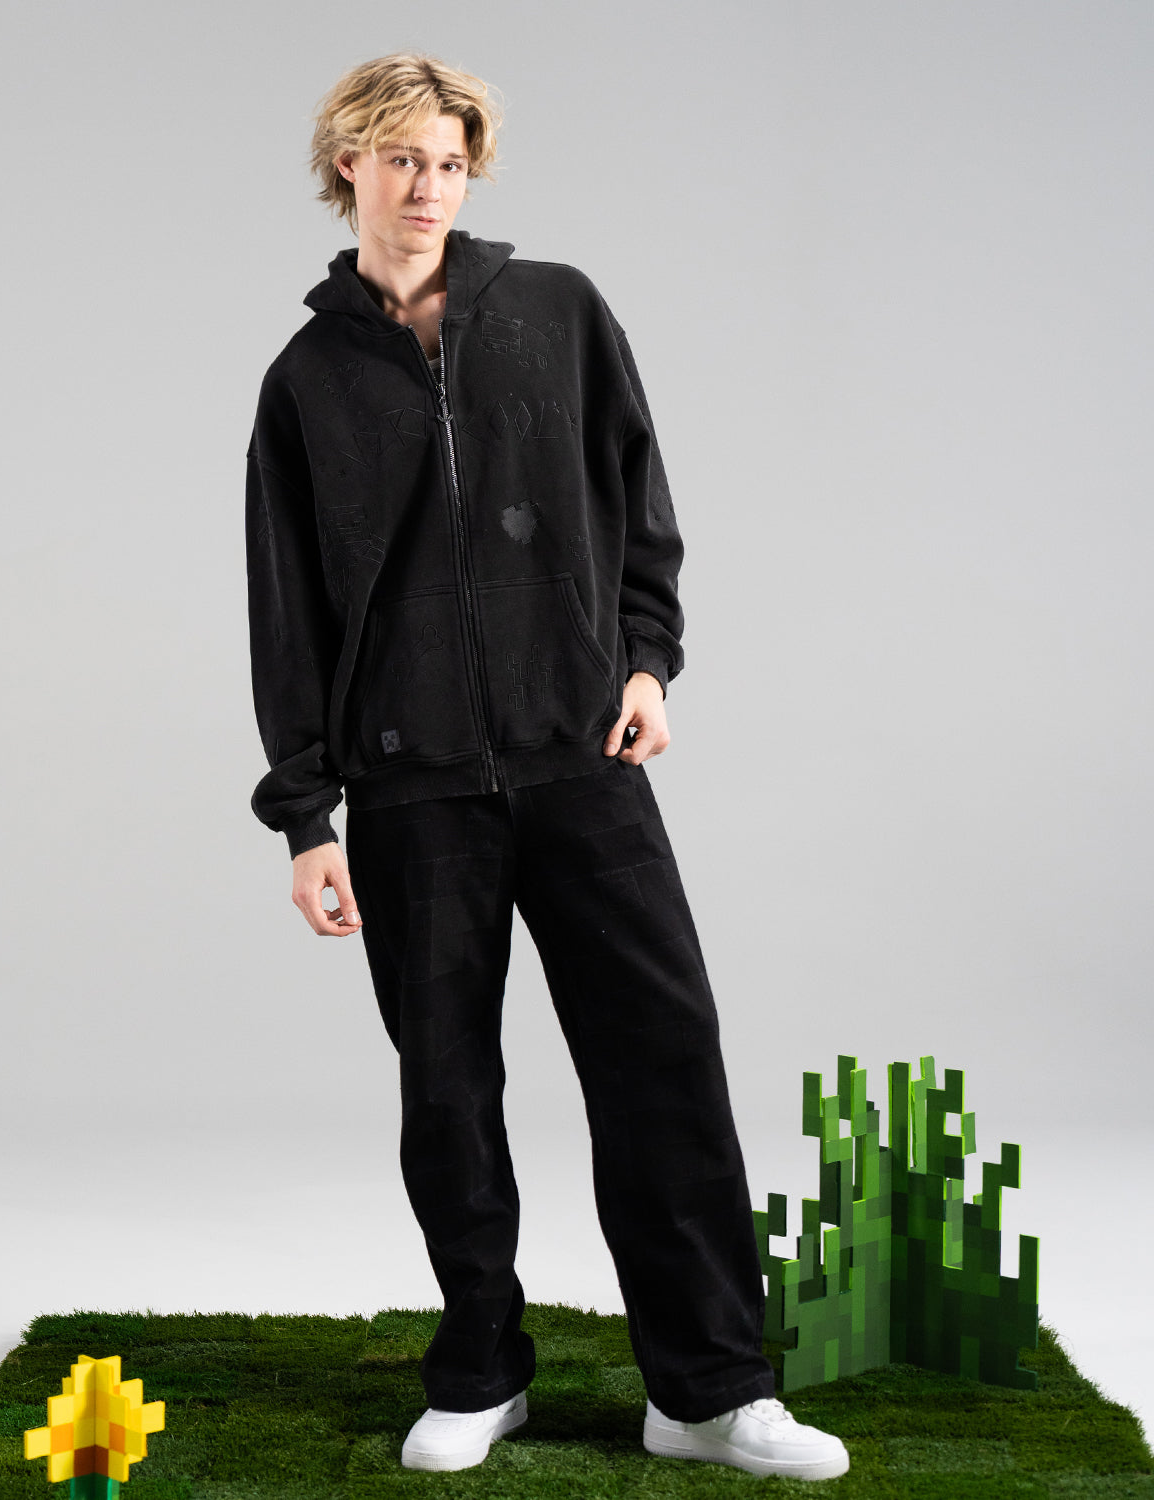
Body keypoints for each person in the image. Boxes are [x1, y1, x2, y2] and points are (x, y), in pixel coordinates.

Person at [245, 50, 849, 1483]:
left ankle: (707, 1390)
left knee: (664, 1062)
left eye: (449, 162)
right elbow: (288, 608)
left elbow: (642, 501)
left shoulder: (560, 312)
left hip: (582, 758)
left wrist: (645, 662)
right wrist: (306, 816)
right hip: (410, 790)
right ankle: (480, 1374)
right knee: (448, 1091)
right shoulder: (305, 382)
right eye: (402, 159)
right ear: (349, 166)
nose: (428, 187)